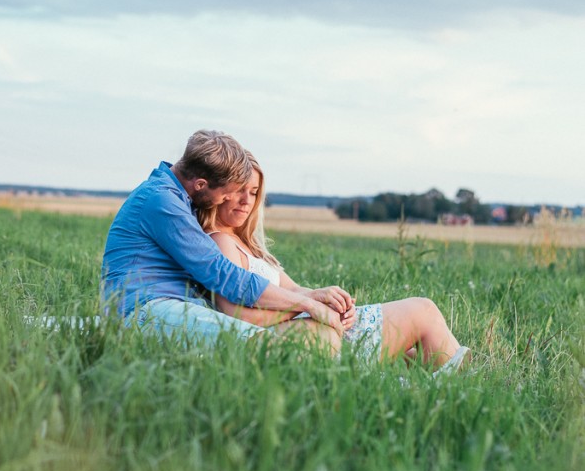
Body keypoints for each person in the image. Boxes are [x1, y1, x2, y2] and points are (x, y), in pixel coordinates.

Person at [197, 153, 471, 373]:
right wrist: (309, 308)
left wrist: (327, 299)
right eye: (240, 190)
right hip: (299, 333)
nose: (247, 200)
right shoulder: (221, 242)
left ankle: (450, 386)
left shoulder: (245, 243)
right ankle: (462, 388)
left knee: (412, 354)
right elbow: (234, 314)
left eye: (254, 192)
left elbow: (294, 290)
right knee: (422, 311)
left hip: (310, 324)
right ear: (222, 192)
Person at [102, 130, 353, 351]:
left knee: (306, 339)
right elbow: (221, 274)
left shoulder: (176, 198)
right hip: (145, 310)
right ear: (201, 184)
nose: (225, 201)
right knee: (273, 349)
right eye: (224, 195)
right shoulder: (162, 202)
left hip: (175, 307)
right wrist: (305, 303)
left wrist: (311, 299)